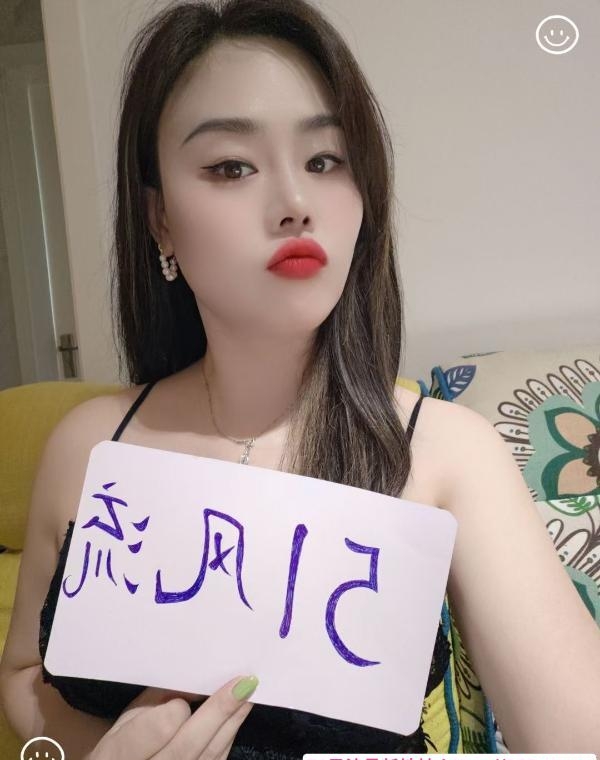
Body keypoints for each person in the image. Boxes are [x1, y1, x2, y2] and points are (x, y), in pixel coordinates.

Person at [1, 0, 599, 757]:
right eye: (231, 167)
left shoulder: (448, 454)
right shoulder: (89, 447)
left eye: (325, 160)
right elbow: (23, 675)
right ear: (160, 219)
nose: (294, 203)